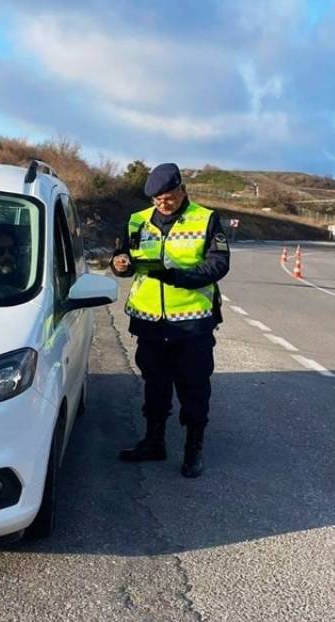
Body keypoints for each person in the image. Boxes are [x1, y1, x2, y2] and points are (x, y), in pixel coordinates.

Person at [110, 163, 230, 478]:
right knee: (155, 385)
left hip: (192, 323)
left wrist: (178, 276)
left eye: (169, 197)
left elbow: (218, 265)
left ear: (182, 190)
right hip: (149, 321)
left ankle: (193, 450)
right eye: (157, 200)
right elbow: (123, 257)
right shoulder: (137, 221)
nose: (163, 204)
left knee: (194, 386)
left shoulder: (205, 219)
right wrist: (119, 264)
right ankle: (154, 442)